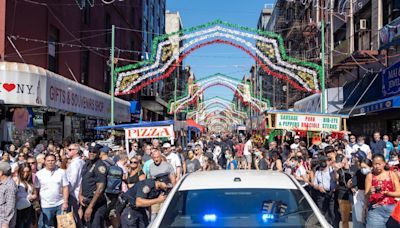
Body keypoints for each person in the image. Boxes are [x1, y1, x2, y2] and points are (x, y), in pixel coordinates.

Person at [365, 154, 400, 228]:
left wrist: (388, 193)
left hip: (391, 209)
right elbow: (366, 195)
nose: (377, 166)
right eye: (375, 164)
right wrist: (370, 192)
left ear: (384, 163)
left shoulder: (392, 174)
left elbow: (399, 193)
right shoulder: (370, 176)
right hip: (375, 210)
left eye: (379, 164)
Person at [35, 154, 69, 228]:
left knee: (62, 226)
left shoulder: (62, 172)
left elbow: (65, 187)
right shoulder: (39, 174)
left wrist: (65, 202)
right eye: (48, 161)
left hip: (60, 204)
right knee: (46, 225)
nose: (50, 162)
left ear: (56, 161)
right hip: (46, 205)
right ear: (45, 162)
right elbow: (36, 190)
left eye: (52, 160)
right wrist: (37, 204)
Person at [79, 143, 108, 228]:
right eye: (90, 151)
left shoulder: (100, 166)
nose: (91, 153)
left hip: (96, 204)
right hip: (85, 201)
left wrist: (90, 207)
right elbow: (83, 181)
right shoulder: (87, 163)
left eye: (94, 151)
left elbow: (100, 188)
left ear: (99, 153)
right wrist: (80, 195)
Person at [313, 156, 339, 228]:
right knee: (322, 213)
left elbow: (337, 181)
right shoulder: (318, 172)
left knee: (332, 212)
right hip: (321, 194)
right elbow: (315, 184)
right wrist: (318, 187)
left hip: (331, 193)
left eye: (325, 161)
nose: (323, 164)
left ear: (328, 162)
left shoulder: (332, 171)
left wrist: (334, 188)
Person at [348, 157, 371, 228]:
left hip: (371, 195)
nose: (363, 169)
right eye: (361, 167)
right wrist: (350, 185)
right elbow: (352, 183)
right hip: (360, 195)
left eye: (365, 167)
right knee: (359, 217)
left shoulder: (374, 174)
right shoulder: (359, 172)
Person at [66, 143, 85, 227]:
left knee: (73, 219)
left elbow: (72, 181)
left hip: (74, 194)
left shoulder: (75, 164)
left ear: (76, 151)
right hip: (77, 193)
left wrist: (66, 192)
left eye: (70, 149)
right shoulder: (80, 161)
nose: (68, 151)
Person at [15, 163, 36, 228]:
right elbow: (12, 194)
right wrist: (21, 197)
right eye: (23, 171)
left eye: (27, 171)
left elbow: (34, 193)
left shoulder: (29, 180)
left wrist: (33, 196)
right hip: (19, 209)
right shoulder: (16, 180)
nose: (25, 173)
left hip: (28, 207)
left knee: (27, 225)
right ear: (20, 171)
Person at [0, 161, 17, 228]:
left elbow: (10, 205)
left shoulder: (10, 185)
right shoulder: (2, 183)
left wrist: (6, 223)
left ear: (1, 172)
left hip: (3, 222)